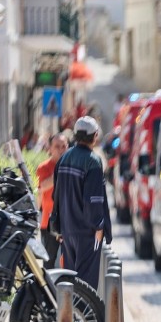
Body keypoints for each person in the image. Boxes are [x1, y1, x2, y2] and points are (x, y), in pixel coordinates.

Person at [52, 116, 113, 290]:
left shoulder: (64, 159)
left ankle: (72, 316)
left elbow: (56, 196)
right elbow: (94, 200)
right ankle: (83, 317)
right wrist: (99, 226)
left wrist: (58, 226)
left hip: (67, 230)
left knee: (70, 281)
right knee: (86, 285)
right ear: (94, 136)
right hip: (87, 232)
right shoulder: (92, 161)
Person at [36, 134, 68, 268]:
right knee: (49, 262)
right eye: (57, 146)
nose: (60, 150)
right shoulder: (43, 167)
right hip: (48, 223)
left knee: (68, 263)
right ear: (50, 148)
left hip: (69, 222)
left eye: (63, 146)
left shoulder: (72, 167)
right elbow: (42, 187)